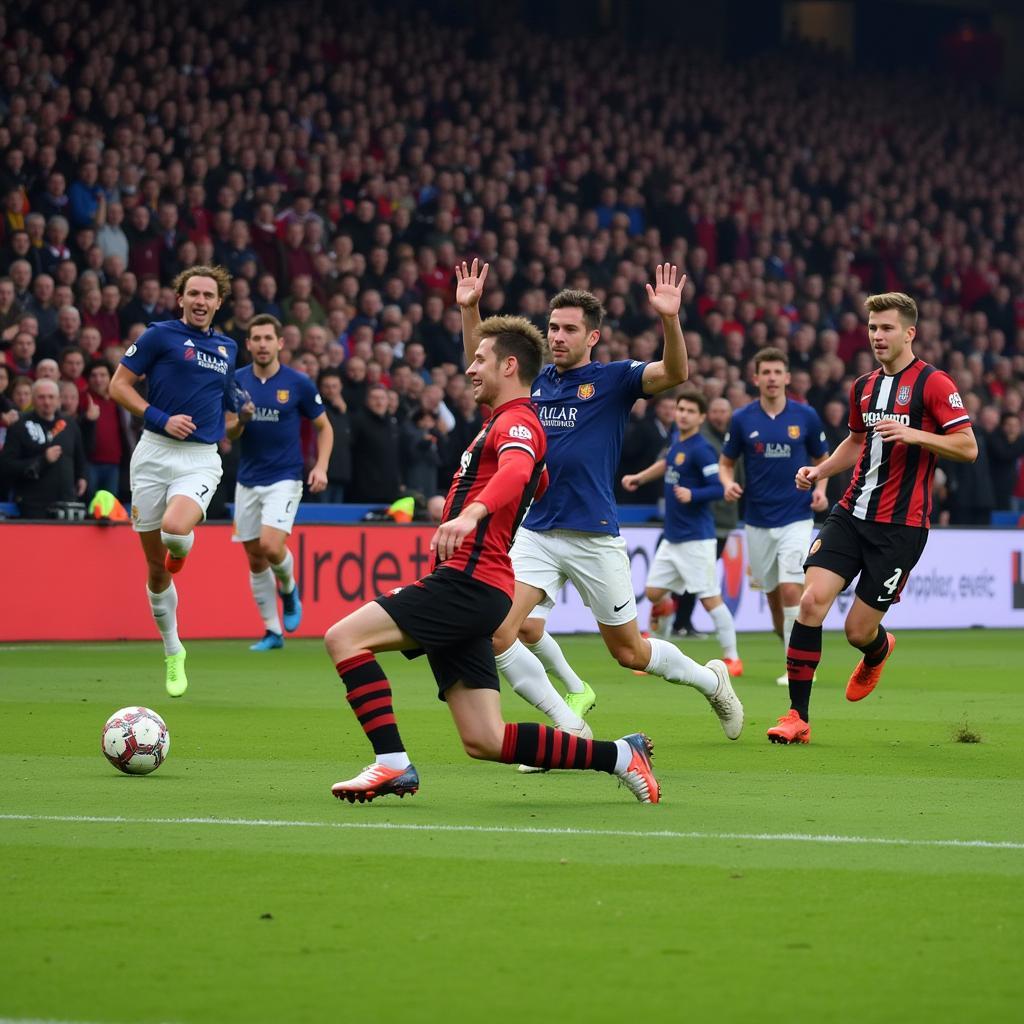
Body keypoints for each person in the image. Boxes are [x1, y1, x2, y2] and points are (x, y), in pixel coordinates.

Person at [324, 314, 660, 804]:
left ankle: (391, 764)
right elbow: (534, 478)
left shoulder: (518, 421)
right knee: (486, 739)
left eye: (480, 360)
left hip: (469, 581)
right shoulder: (507, 422)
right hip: (481, 586)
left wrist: (472, 513)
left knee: (344, 638)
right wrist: (467, 311)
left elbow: (520, 467)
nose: (469, 369)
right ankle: (621, 756)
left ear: (508, 366)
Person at [456, 260, 742, 759]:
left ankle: (710, 680)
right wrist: (470, 309)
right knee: (500, 632)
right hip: (537, 530)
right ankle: (569, 725)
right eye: (553, 328)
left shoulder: (614, 379)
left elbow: (675, 372)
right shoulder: (535, 380)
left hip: (593, 534)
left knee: (629, 652)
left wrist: (670, 320)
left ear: (593, 337)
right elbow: (483, 367)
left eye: (569, 329)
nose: (558, 337)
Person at [770, 293, 978, 744]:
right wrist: (820, 470)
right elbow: (855, 442)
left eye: (886, 328)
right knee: (810, 603)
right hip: (851, 513)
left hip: (901, 529)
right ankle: (796, 717)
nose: (877, 336)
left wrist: (914, 433)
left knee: (857, 630)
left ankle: (878, 650)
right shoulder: (863, 386)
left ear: (909, 332)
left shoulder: (934, 384)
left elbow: (967, 446)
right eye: (872, 328)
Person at [110, 264, 238, 697]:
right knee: (154, 568)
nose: (201, 301)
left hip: (199, 459)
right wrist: (161, 417)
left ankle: (179, 549)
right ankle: (173, 650)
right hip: (151, 453)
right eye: (193, 294)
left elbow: (224, 401)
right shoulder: (157, 336)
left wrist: (236, 418)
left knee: (175, 530)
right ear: (180, 298)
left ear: (219, 302)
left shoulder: (228, 348)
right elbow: (118, 386)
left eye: (208, 295)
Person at [719, 348, 830, 684]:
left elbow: (823, 457)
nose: (771, 378)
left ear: (786, 377)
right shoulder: (742, 419)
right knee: (775, 603)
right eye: (764, 372)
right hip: (757, 520)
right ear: (756, 378)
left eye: (776, 372)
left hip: (796, 516)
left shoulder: (805, 416)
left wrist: (821, 488)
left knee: (791, 589)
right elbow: (726, 463)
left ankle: (795, 668)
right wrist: (727, 484)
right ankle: (799, 651)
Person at [227, 314, 333, 650]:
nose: (262, 344)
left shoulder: (298, 383)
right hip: (247, 479)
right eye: (256, 338)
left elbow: (324, 428)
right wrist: (241, 421)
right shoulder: (236, 381)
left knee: (271, 546)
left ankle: (288, 590)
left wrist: (321, 466)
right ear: (248, 344)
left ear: (280, 343)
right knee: (255, 558)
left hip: (285, 477)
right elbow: (228, 432)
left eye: (267, 338)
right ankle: (272, 632)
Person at [622, 389, 742, 674]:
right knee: (653, 593)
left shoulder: (702, 449)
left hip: (696, 539)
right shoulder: (677, 441)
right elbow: (667, 464)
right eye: (680, 409)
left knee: (710, 598)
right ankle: (660, 653)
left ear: (700, 417)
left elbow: (718, 487)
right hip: (673, 537)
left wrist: (694, 494)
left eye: (690, 411)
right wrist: (640, 477)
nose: (683, 414)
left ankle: (732, 656)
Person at [0, 377, 86, 517]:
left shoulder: (70, 424)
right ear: (33, 400)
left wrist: (82, 476)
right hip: (33, 504)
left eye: (51, 397)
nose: (47, 402)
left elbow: (79, 455)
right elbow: (6, 466)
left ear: (58, 400)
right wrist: (42, 460)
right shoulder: (19, 425)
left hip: (66, 503)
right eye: (41, 397)